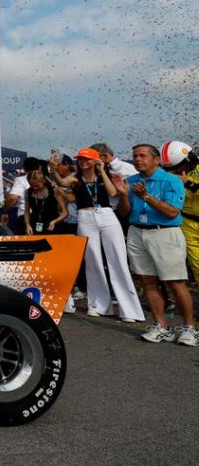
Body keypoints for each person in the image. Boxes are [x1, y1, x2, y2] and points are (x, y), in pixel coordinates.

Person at [118, 144, 196, 346]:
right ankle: (160, 326)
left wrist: (146, 196)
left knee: (176, 282)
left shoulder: (171, 181)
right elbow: (124, 213)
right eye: (135, 156)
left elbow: (172, 212)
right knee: (147, 281)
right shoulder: (131, 181)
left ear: (156, 160)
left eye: (143, 156)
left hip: (165, 233)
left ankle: (190, 328)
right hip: (137, 232)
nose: (137, 159)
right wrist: (125, 195)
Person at [57, 148, 143, 321]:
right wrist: (53, 170)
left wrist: (102, 170)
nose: (83, 162)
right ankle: (98, 305)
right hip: (85, 217)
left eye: (87, 159)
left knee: (118, 259)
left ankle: (129, 310)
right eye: (80, 159)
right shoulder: (75, 178)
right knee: (93, 260)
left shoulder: (107, 175)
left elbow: (113, 193)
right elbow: (61, 180)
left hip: (107, 215)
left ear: (96, 161)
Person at [159, 141, 198, 285]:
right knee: (197, 265)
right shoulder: (168, 175)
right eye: (174, 168)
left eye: (179, 166)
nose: (177, 170)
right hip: (187, 224)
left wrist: (188, 183)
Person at [2, 157, 43, 234]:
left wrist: (4, 211)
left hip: (26, 219)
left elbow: (12, 198)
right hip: (42, 219)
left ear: (24, 169)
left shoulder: (21, 180)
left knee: (26, 244)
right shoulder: (44, 180)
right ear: (39, 168)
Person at [22, 170, 67, 235]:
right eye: (31, 185)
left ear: (43, 181)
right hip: (35, 224)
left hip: (52, 225)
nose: (34, 188)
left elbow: (65, 212)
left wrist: (55, 221)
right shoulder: (28, 192)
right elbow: (26, 211)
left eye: (37, 185)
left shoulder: (53, 191)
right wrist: (27, 225)